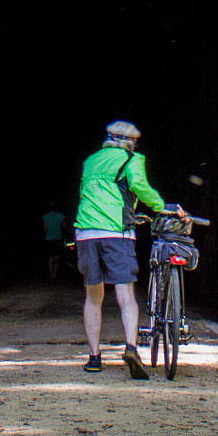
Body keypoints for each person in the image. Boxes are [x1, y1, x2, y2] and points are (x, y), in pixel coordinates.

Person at [73, 119, 170, 378]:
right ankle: (131, 347)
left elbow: (85, 191)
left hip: (86, 232)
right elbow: (140, 187)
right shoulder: (132, 159)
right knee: (125, 294)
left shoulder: (90, 161)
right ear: (130, 141)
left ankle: (94, 357)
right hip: (117, 232)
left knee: (93, 296)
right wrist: (161, 206)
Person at [40, 202, 67, 281]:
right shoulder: (60, 215)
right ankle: (55, 274)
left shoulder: (45, 216)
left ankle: (50, 275)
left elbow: (44, 228)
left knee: (50, 257)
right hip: (58, 238)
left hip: (49, 238)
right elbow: (64, 226)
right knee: (57, 257)